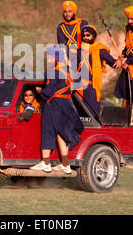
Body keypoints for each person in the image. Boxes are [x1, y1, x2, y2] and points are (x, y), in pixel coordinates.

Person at [30, 46, 84, 174]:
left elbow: (47, 93)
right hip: (66, 104)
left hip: (54, 104)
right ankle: (65, 165)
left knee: (47, 131)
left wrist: (39, 91)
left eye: (51, 57)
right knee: (61, 135)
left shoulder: (54, 72)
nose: (48, 59)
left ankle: (46, 163)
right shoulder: (67, 70)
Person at [76, 25, 121, 119]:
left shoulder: (100, 50)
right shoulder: (78, 50)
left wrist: (120, 60)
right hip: (78, 87)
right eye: (83, 35)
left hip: (92, 87)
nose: (85, 37)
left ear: (93, 36)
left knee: (92, 114)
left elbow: (114, 64)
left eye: (88, 35)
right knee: (78, 114)